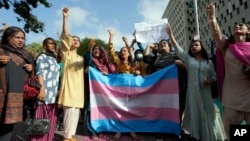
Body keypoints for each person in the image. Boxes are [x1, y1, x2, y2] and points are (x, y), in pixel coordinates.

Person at [207, 2, 250, 140]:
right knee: (235, 135)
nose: (237, 26)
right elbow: (216, 33)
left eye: (241, 25)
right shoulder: (227, 47)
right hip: (232, 101)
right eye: (235, 26)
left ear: (248, 31)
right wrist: (212, 16)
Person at [167, 23, 217, 141]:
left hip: (206, 93)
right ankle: (198, 135)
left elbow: (215, 76)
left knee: (208, 114)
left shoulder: (208, 62)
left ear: (201, 47)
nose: (193, 47)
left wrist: (210, 80)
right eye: (192, 46)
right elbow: (178, 49)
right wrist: (171, 35)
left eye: (196, 45)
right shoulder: (188, 59)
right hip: (193, 93)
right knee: (195, 113)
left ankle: (210, 136)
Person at [0, 26, 33, 140]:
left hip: (16, 97)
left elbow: (32, 76)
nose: (20, 40)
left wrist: (31, 69)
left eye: (22, 38)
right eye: (17, 37)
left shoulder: (25, 54)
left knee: (8, 125)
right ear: (8, 37)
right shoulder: (1, 50)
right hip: (2, 94)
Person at [57, 7, 85, 141]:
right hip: (68, 88)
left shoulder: (81, 58)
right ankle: (66, 137)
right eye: (73, 39)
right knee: (68, 113)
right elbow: (65, 35)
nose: (75, 41)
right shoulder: (66, 54)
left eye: (77, 40)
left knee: (75, 113)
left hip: (78, 90)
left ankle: (70, 136)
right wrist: (65, 18)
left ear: (79, 44)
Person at [107, 29, 140, 140]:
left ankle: (131, 130)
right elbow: (111, 51)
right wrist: (111, 36)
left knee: (131, 109)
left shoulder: (133, 63)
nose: (123, 52)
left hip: (131, 90)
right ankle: (119, 130)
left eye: (125, 51)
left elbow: (136, 71)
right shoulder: (118, 62)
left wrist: (137, 73)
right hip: (119, 89)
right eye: (121, 51)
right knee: (119, 109)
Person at [84, 41, 116, 140]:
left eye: (99, 49)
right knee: (90, 110)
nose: (97, 51)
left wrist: (108, 75)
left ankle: (100, 129)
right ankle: (92, 131)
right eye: (95, 49)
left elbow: (113, 76)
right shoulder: (90, 62)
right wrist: (90, 48)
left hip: (103, 93)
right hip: (91, 91)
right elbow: (87, 58)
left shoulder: (106, 64)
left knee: (102, 110)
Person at [30, 37, 60, 141]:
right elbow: (39, 73)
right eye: (50, 43)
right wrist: (42, 89)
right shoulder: (42, 57)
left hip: (53, 95)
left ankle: (48, 139)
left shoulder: (54, 58)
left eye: (54, 44)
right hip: (44, 93)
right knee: (40, 119)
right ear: (44, 46)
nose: (53, 45)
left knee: (51, 120)